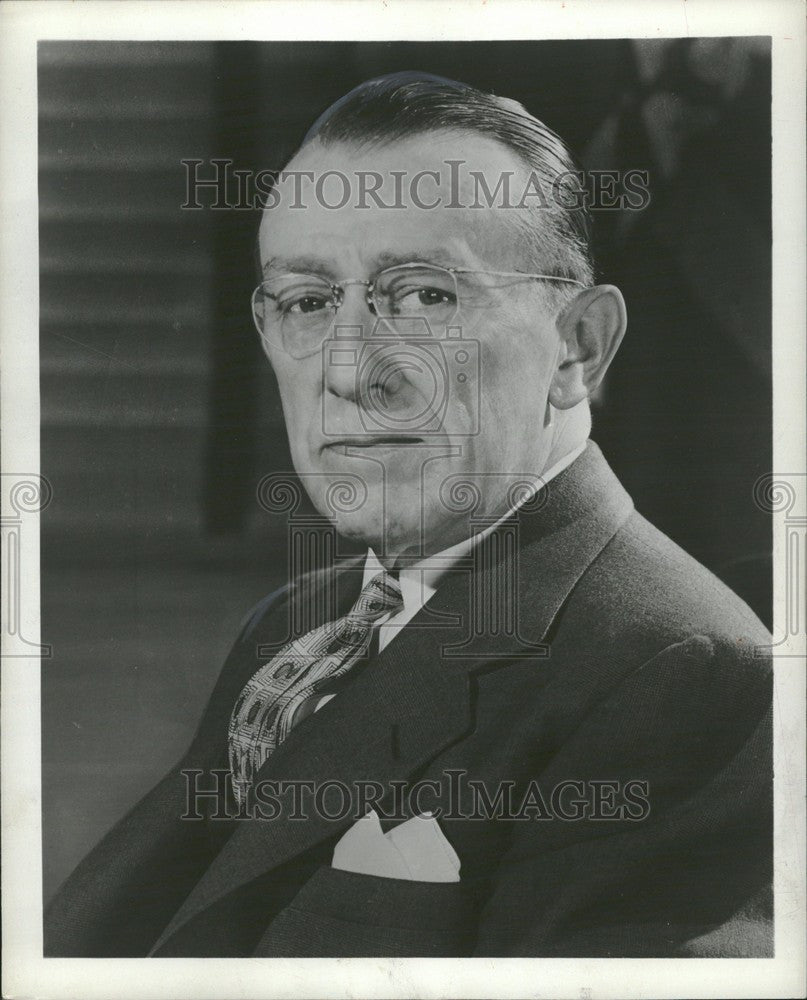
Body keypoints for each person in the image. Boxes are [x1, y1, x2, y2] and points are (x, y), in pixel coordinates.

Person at [45, 72, 772, 958]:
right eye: (309, 304)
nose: (351, 371)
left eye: (426, 296)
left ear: (578, 347)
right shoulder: (298, 623)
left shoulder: (682, 674)